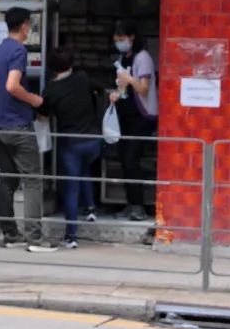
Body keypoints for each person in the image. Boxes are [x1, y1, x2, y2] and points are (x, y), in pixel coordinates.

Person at [0, 7, 56, 253]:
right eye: (29, 25)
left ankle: (10, 234)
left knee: (8, 179)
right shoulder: (18, 50)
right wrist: (34, 100)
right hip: (17, 124)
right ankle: (35, 239)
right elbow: (12, 85)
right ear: (25, 25)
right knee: (33, 180)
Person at [39, 48, 104, 249]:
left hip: (71, 143)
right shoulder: (82, 78)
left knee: (71, 187)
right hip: (93, 140)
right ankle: (90, 208)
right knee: (85, 170)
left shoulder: (50, 89)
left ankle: (71, 235)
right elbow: (100, 89)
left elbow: (44, 115)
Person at [110, 19, 159, 223]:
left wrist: (130, 80)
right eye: (116, 39)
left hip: (142, 117)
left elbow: (144, 89)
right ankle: (130, 204)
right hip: (126, 115)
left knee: (132, 159)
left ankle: (138, 206)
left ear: (132, 38)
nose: (118, 42)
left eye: (122, 38)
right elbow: (124, 89)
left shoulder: (143, 58)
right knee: (124, 160)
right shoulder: (125, 57)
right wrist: (116, 94)